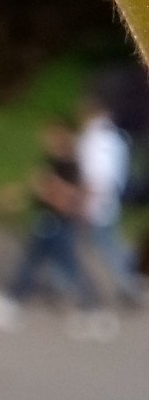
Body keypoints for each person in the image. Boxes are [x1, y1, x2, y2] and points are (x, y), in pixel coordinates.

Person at [0, 122, 110, 336]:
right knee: (37, 263)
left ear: (64, 138)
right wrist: (17, 198)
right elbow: (36, 188)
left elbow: (67, 198)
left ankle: (92, 311)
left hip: (57, 224)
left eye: (52, 135)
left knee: (61, 267)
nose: (46, 140)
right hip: (47, 221)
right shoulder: (53, 162)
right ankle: (14, 301)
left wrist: (47, 189)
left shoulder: (69, 166)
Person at [77, 92, 137, 309]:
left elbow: (96, 175)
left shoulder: (95, 137)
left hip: (96, 203)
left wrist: (84, 203)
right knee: (111, 244)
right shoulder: (114, 136)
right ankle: (131, 283)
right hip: (111, 200)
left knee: (99, 245)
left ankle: (117, 288)